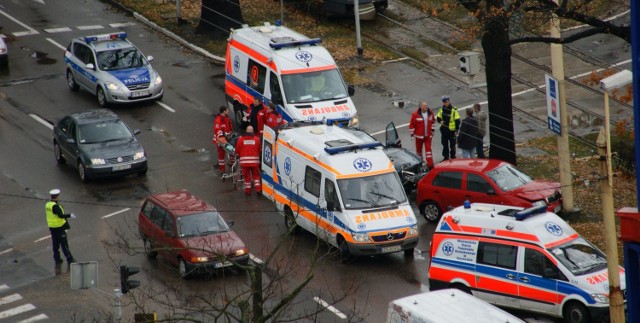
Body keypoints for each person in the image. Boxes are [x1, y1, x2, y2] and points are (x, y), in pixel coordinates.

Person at [45, 189, 76, 264]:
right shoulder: (56, 206)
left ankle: (57, 259)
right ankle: (70, 259)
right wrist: (70, 215)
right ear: (57, 197)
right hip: (59, 227)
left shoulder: (48, 204)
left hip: (52, 227)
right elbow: (61, 216)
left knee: (55, 244)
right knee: (64, 245)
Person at [408, 101, 436, 169]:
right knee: (419, 152)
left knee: (428, 151)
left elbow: (433, 121)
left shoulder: (430, 113)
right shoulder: (415, 115)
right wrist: (412, 135)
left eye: (427, 105)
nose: (427, 107)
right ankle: (420, 164)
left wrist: (432, 130)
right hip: (419, 137)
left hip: (428, 136)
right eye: (425, 106)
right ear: (421, 107)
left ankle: (430, 165)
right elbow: (412, 125)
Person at [235, 126, 262, 195]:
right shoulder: (257, 139)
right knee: (256, 176)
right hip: (254, 162)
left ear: (246, 131)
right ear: (252, 132)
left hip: (244, 162)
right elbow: (260, 150)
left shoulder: (240, 139)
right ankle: (258, 189)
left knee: (247, 177)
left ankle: (248, 191)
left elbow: (237, 150)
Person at [436, 95, 461, 161]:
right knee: (444, 145)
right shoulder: (441, 109)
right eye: (444, 102)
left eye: (446, 102)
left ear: (449, 101)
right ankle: (446, 157)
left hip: (452, 131)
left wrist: (456, 130)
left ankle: (453, 157)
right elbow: (438, 118)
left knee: (452, 145)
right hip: (444, 130)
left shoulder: (454, 110)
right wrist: (440, 121)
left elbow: (457, 120)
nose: (445, 103)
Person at [213, 105, 234, 172]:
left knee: (232, 153)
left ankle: (231, 165)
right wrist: (223, 138)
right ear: (224, 111)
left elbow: (230, 128)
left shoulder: (227, 118)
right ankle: (222, 170)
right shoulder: (218, 120)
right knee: (221, 156)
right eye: (227, 110)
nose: (228, 111)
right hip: (221, 140)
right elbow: (217, 131)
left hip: (227, 139)